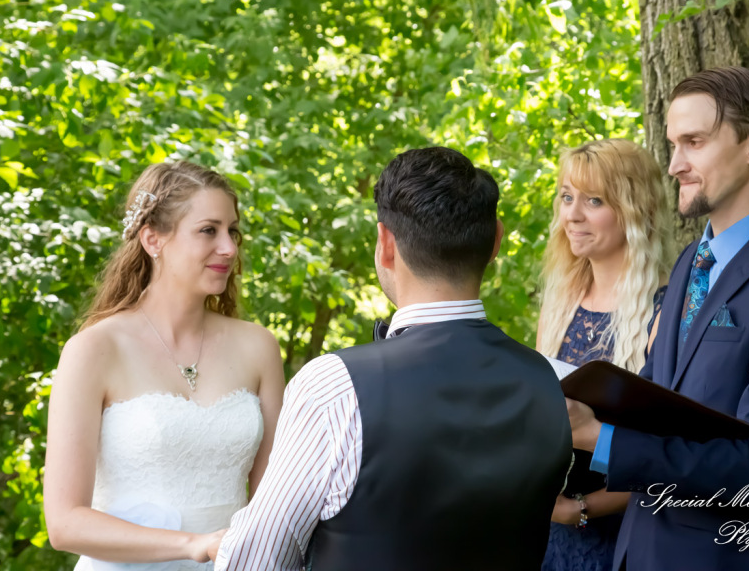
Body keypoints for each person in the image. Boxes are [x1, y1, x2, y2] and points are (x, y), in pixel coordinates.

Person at [213, 146, 573, 571]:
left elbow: (255, 561)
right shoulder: (550, 380)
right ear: (496, 240)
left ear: (386, 244)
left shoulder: (333, 386)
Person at [567, 67, 749, 571]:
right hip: (636, 552)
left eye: (693, 142)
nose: (674, 164)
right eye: (673, 144)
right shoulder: (692, 260)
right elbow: (654, 407)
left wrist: (599, 438)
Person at [43, 161, 285, 570]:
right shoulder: (94, 349)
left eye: (233, 231)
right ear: (153, 239)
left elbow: (276, 500)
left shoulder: (258, 347)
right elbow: (64, 523)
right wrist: (195, 545)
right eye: (209, 230)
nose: (229, 247)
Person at [536, 139, 665, 571]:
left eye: (594, 200)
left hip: (625, 535)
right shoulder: (560, 302)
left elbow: (671, 451)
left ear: (635, 208)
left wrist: (584, 508)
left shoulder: (664, 309)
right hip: (549, 531)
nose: (572, 215)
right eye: (567, 197)